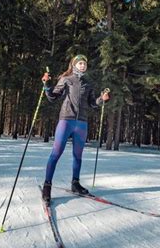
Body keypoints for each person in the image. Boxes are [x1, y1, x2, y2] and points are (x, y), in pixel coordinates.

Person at [41, 54, 110, 204]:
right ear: (74, 65)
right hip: (66, 120)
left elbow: (93, 103)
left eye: (84, 64)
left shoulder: (88, 83)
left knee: (78, 155)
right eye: (80, 63)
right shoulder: (67, 79)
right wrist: (47, 85)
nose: (82, 66)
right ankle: (47, 186)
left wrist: (101, 100)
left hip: (82, 123)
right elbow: (53, 97)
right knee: (56, 153)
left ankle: (75, 183)